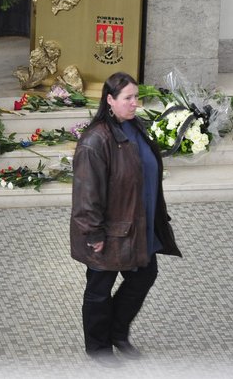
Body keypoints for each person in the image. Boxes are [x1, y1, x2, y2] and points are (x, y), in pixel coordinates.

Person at [70, 71, 182, 365]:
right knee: (98, 290)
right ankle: (98, 347)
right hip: (108, 232)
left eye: (137, 97)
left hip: (138, 225)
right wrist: (93, 234)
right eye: (128, 98)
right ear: (110, 100)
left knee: (145, 275)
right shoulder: (94, 141)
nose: (135, 104)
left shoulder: (135, 126)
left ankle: (117, 333)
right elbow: (86, 195)